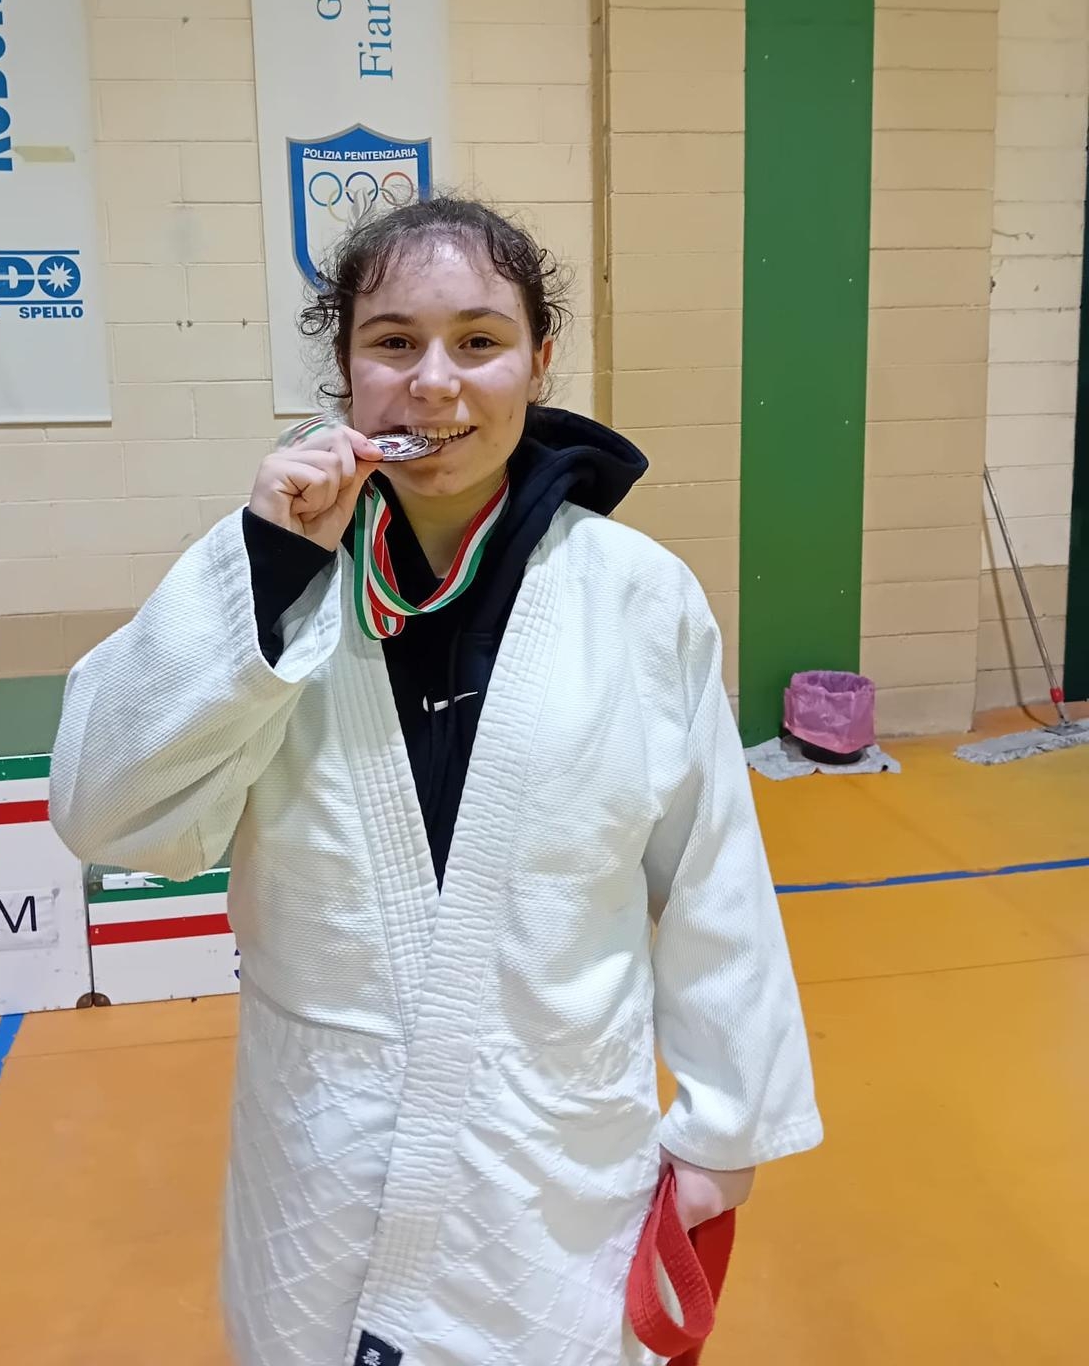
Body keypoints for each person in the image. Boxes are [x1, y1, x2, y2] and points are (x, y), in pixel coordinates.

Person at [50, 196, 821, 1366]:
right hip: (326, 1152)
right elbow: (103, 811)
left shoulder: (638, 594)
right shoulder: (276, 567)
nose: (435, 381)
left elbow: (712, 866)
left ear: (539, 362)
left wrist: (727, 1121)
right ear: (346, 369)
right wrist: (266, 565)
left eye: (479, 340)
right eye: (394, 342)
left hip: (549, 1154)